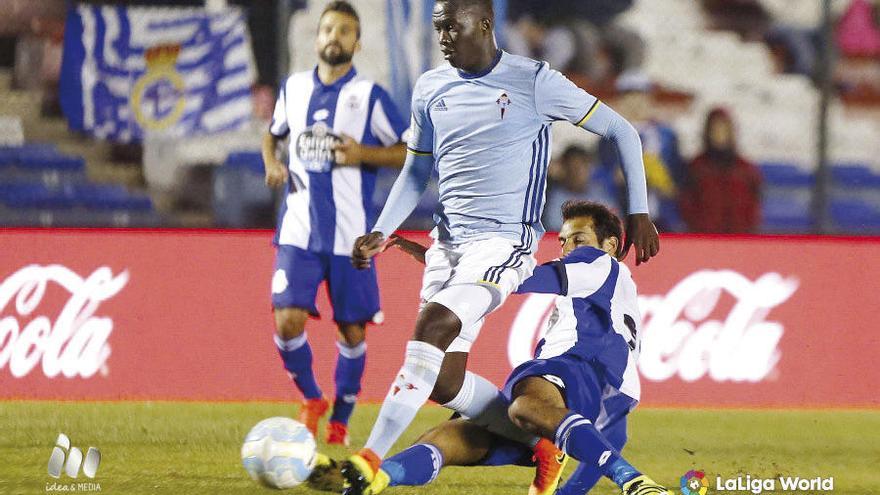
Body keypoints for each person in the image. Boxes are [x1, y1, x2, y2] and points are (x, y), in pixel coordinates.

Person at [343, 0, 660, 493]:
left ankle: (369, 456)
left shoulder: (534, 80)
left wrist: (637, 210)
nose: (444, 36)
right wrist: (382, 230)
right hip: (448, 245)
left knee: (434, 325)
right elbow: (416, 171)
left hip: (504, 244)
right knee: (444, 382)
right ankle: (542, 442)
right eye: (439, 27)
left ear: (486, 25)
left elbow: (620, 130)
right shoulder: (430, 88)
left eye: (454, 26)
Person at [309, 201, 670, 495]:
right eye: (562, 242)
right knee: (452, 436)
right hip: (595, 395)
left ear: (609, 245)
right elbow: (503, 274)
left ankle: (635, 483)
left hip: (580, 366)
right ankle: (372, 479)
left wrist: (450, 258)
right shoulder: (595, 288)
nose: (568, 249)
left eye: (578, 239)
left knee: (524, 405)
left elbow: (516, 276)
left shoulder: (600, 263)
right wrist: (436, 257)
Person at [262, 0, 408, 445]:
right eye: (328, 29)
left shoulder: (369, 96)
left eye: (344, 31)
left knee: (352, 330)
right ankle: (311, 397)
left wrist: (363, 154)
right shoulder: (293, 88)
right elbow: (273, 133)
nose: (334, 37)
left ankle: (341, 418)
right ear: (317, 36)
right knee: (286, 320)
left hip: (351, 238)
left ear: (356, 42)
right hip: (299, 231)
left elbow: (409, 151)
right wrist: (271, 162)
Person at [679, 107, 762, 233]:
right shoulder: (696, 168)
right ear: (708, 132)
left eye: (723, 130)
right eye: (715, 130)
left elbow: (754, 204)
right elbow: (686, 203)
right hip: (704, 240)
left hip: (740, 240)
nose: (719, 134)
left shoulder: (746, 170)